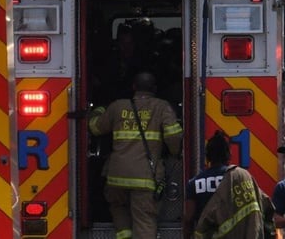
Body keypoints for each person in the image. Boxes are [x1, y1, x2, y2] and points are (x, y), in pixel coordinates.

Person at [88, 72, 183, 239]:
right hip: (145, 178)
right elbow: (173, 136)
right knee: (144, 220)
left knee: (118, 207)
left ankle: (124, 235)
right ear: (154, 89)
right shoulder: (162, 107)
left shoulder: (117, 106)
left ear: (133, 88)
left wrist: (98, 110)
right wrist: (174, 154)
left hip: (116, 176)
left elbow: (95, 128)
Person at [189, 131, 270, 239]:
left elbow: (188, 217)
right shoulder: (240, 177)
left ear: (207, 156)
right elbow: (264, 205)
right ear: (229, 155)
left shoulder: (194, 183)